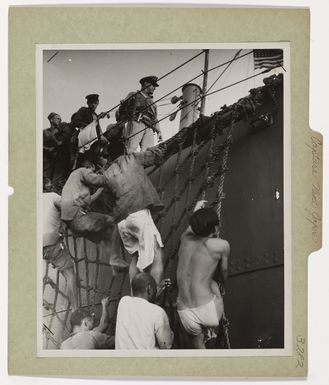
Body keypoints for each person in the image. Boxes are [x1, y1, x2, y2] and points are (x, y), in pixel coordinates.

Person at [102, 146, 165, 290]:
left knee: (135, 257)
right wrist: (152, 149)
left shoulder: (106, 175)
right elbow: (156, 156)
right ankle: (154, 293)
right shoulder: (132, 158)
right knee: (156, 253)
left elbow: (108, 203)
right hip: (138, 214)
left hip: (122, 222)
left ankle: (134, 295)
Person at [176, 200, 230, 349]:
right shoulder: (221, 245)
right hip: (209, 311)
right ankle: (212, 332)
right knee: (213, 283)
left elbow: (190, 228)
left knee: (198, 344)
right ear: (214, 227)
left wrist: (197, 208)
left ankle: (202, 344)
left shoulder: (184, 240)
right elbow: (223, 274)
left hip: (185, 314)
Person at [60, 160, 129, 271]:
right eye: (93, 171)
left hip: (73, 224)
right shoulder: (81, 171)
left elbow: (88, 200)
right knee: (113, 222)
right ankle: (114, 259)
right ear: (89, 167)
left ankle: (114, 267)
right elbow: (97, 180)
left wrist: (100, 190)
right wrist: (110, 175)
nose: (93, 173)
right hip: (79, 216)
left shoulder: (74, 183)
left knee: (107, 235)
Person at [42, 178, 78, 311]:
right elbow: (68, 207)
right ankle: (75, 310)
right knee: (70, 275)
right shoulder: (52, 196)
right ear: (47, 188)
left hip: (38, 245)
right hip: (52, 243)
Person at [115, 273, 173, 349]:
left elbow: (141, 306)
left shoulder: (123, 302)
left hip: (122, 359)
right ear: (149, 288)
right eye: (155, 289)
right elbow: (166, 346)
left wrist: (154, 289)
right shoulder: (159, 312)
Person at [118, 76, 162, 153]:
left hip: (149, 128)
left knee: (148, 152)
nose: (155, 88)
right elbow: (122, 111)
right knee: (131, 149)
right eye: (153, 85)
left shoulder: (153, 103)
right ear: (146, 84)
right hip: (136, 123)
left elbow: (155, 118)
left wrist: (159, 131)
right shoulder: (133, 95)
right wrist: (123, 105)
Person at [70, 94, 109, 168]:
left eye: (95, 103)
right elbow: (76, 122)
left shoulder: (95, 115)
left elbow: (97, 128)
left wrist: (101, 136)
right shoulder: (83, 110)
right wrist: (91, 125)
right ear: (88, 103)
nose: (93, 105)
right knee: (85, 159)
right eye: (91, 103)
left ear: (98, 103)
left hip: (94, 140)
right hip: (84, 139)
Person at [43, 112, 65, 179]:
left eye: (60, 119)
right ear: (51, 120)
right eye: (57, 118)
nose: (60, 120)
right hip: (47, 161)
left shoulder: (62, 133)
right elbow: (38, 145)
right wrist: (48, 149)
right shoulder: (45, 132)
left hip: (59, 163)